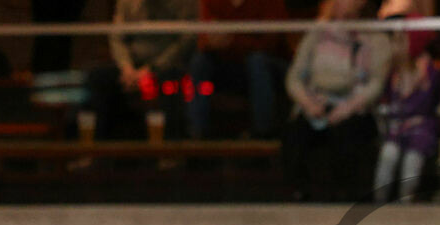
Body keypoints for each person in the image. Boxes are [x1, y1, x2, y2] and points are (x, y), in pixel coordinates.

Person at [283, 0, 391, 200]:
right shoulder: (317, 33)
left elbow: (376, 84)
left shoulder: (376, 39)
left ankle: (342, 199)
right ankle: (299, 196)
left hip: (355, 107)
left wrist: (347, 108)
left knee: (345, 133)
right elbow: (294, 77)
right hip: (315, 103)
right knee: (295, 133)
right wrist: (308, 103)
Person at [85, 0, 197, 140]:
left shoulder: (182, 3)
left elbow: (188, 38)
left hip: (167, 64)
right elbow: (116, 37)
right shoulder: (126, 2)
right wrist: (126, 67)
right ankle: (98, 149)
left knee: (170, 80)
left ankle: (170, 150)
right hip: (132, 66)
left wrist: (152, 68)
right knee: (98, 77)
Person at [372, 0, 440, 202]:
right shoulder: (393, 72)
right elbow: (384, 101)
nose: (394, 46)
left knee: (412, 162)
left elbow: (436, 103)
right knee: (388, 155)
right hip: (396, 128)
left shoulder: (430, 73)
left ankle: (407, 202)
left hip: (422, 129)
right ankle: (379, 200)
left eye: (399, 40)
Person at [188, 0, 291, 140]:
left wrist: (232, 39)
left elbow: (270, 43)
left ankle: (262, 133)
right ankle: (198, 134)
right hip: (226, 66)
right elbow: (204, 38)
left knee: (257, 62)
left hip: (267, 68)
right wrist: (210, 41)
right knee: (199, 62)